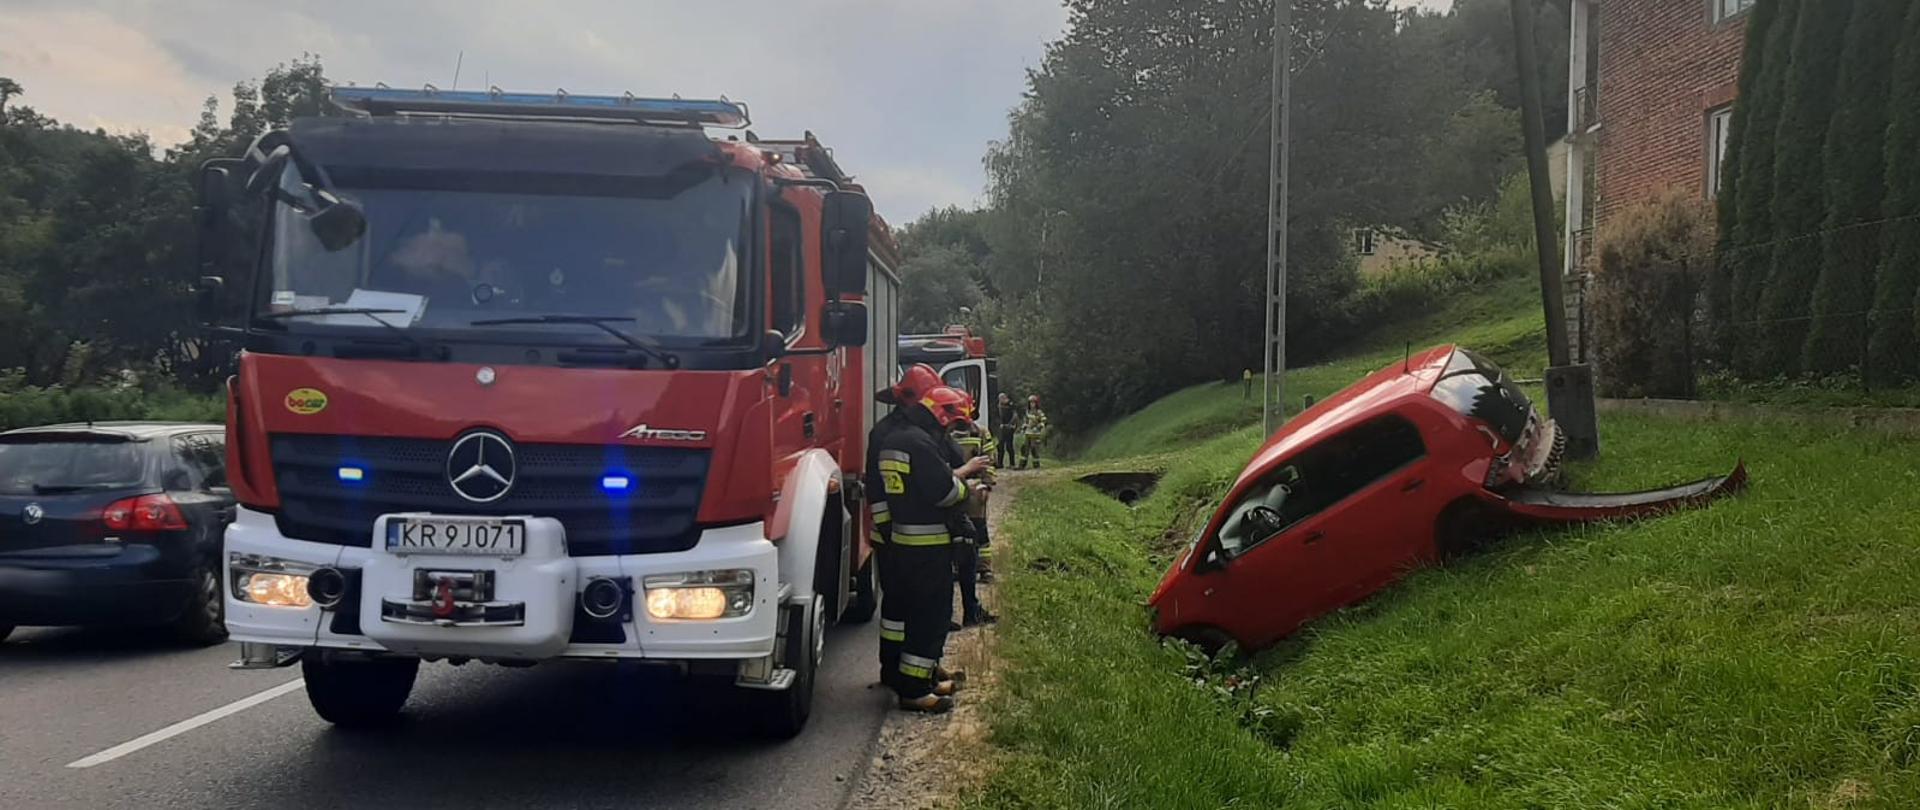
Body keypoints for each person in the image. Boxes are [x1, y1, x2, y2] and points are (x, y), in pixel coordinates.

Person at [873, 386, 987, 713]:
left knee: (911, 613)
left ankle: (919, 679)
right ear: (942, 415)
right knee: (930, 617)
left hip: (905, 544)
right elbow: (945, 493)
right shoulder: (920, 444)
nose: (951, 431)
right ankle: (915, 690)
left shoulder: (895, 439)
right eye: (952, 425)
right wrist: (969, 489)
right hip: (929, 546)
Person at [865, 364, 946, 696]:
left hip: (894, 535)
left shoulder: (891, 430)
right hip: (902, 536)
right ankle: (905, 672)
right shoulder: (900, 434)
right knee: (911, 606)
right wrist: (888, 530)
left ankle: (901, 669)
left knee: (898, 607)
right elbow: (879, 488)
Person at [949, 401, 998, 628]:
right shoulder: (945, 433)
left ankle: (983, 567)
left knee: (979, 535)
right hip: (953, 495)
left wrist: (987, 485)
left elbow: (989, 459)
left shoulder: (979, 432)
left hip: (975, 494)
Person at [1017, 394, 1049, 469]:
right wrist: (1024, 426)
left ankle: (1036, 465)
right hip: (1027, 433)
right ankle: (1022, 465)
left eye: (1033, 403)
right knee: (1024, 448)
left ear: (1036, 403)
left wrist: (1039, 426)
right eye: (1030, 403)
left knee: (1034, 448)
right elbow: (1025, 421)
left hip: (1035, 433)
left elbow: (1044, 421)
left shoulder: (1039, 412)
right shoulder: (1027, 412)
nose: (1032, 405)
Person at [993, 392, 1018, 469]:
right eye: (1000, 398)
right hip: (1001, 429)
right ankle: (1000, 463)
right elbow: (996, 417)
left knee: (1009, 446)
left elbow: (1015, 416)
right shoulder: (997, 407)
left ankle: (1012, 463)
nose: (1002, 400)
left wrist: (1010, 424)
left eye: (1003, 398)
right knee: (1000, 446)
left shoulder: (1010, 406)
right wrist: (999, 424)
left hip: (1009, 428)